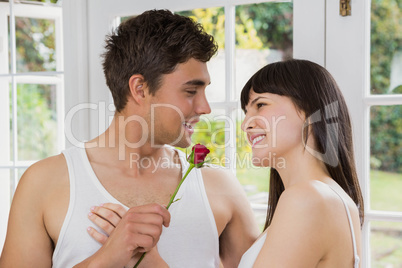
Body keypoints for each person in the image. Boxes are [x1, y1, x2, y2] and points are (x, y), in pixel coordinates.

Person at [0, 9, 259, 267]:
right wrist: (105, 260)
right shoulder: (43, 184)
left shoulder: (221, 188)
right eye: (191, 91)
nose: (205, 108)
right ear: (139, 89)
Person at [237, 59, 364, 267]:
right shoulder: (329, 196)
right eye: (246, 112)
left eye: (260, 105)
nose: (245, 125)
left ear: (310, 110)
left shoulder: (307, 198)